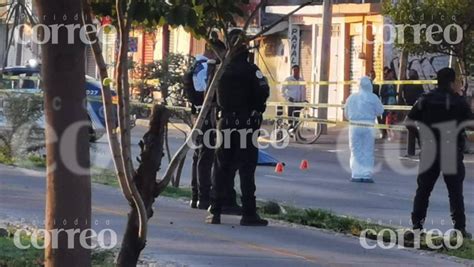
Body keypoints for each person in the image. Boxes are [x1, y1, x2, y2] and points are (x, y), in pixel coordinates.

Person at [207, 29, 270, 226]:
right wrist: (257, 108)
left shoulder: (220, 69)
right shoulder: (251, 70)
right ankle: (249, 213)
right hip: (246, 125)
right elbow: (262, 93)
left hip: (224, 123)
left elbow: (210, 96)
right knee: (246, 168)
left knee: (221, 167)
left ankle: (215, 210)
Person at [406, 68, 472, 239]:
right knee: (455, 192)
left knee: (424, 190)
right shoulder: (459, 102)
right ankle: (459, 229)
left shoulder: (425, 99)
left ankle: (417, 226)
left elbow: (409, 122)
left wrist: (422, 136)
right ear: (452, 82)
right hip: (450, 151)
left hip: (429, 150)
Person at [344, 77, 384, 183]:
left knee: (355, 150)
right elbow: (380, 110)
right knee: (367, 150)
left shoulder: (352, 97)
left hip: (354, 125)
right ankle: (366, 175)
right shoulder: (373, 97)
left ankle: (356, 174)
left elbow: (346, 114)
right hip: (368, 125)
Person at [401, 70, 425, 156]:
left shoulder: (406, 83)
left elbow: (403, 95)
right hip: (417, 107)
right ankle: (421, 147)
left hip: (409, 106)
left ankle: (411, 151)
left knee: (411, 127)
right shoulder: (417, 83)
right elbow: (421, 94)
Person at [380, 69, 398, 139]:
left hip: (393, 102)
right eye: (391, 74)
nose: (392, 75)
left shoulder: (393, 82)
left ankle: (393, 134)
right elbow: (381, 93)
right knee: (388, 119)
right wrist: (390, 93)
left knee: (393, 119)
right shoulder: (385, 83)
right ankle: (386, 134)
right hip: (387, 103)